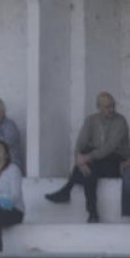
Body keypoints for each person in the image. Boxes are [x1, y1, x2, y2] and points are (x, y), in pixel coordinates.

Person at [45, 91, 130, 223]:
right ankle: (92, 213)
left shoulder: (120, 121)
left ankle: (69, 191)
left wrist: (86, 158)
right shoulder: (91, 120)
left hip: (116, 160)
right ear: (99, 107)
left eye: (113, 105)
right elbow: (80, 144)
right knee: (90, 169)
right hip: (96, 161)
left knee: (91, 164)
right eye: (107, 107)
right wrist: (80, 161)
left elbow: (109, 147)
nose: (111, 109)